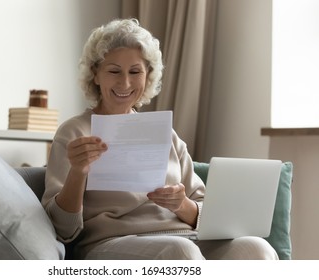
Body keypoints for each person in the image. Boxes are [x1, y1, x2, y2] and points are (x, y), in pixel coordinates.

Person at [41, 18, 278, 260]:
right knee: (180, 252)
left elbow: (207, 210)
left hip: (185, 237)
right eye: (114, 71)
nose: (125, 82)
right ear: (96, 75)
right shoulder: (74, 132)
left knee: (257, 249)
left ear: (148, 77)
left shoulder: (164, 133)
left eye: (135, 72)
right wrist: (78, 172)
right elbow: (62, 228)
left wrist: (181, 204)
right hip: (113, 242)